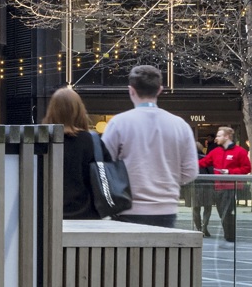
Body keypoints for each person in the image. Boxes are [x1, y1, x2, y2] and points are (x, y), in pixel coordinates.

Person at [101, 64, 198, 228]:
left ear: (131, 90)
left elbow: (103, 166)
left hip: (126, 208)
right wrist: (167, 180)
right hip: (166, 209)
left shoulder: (118, 123)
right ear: (159, 90)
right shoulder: (180, 125)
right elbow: (190, 171)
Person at [42, 85, 102, 221]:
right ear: (79, 110)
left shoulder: (42, 140)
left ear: (51, 110)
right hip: (86, 215)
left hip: (47, 214)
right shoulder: (92, 141)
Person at [194, 124, 251, 242]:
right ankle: (229, 236)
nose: (216, 138)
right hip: (218, 187)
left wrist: (230, 172)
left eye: (219, 135)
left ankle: (230, 237)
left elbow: (246, 168)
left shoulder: (239, 152)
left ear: (227, 136)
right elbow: (204, 162)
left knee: (227, 213)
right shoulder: (216, 152)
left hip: (231, 187)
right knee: (222, 213)